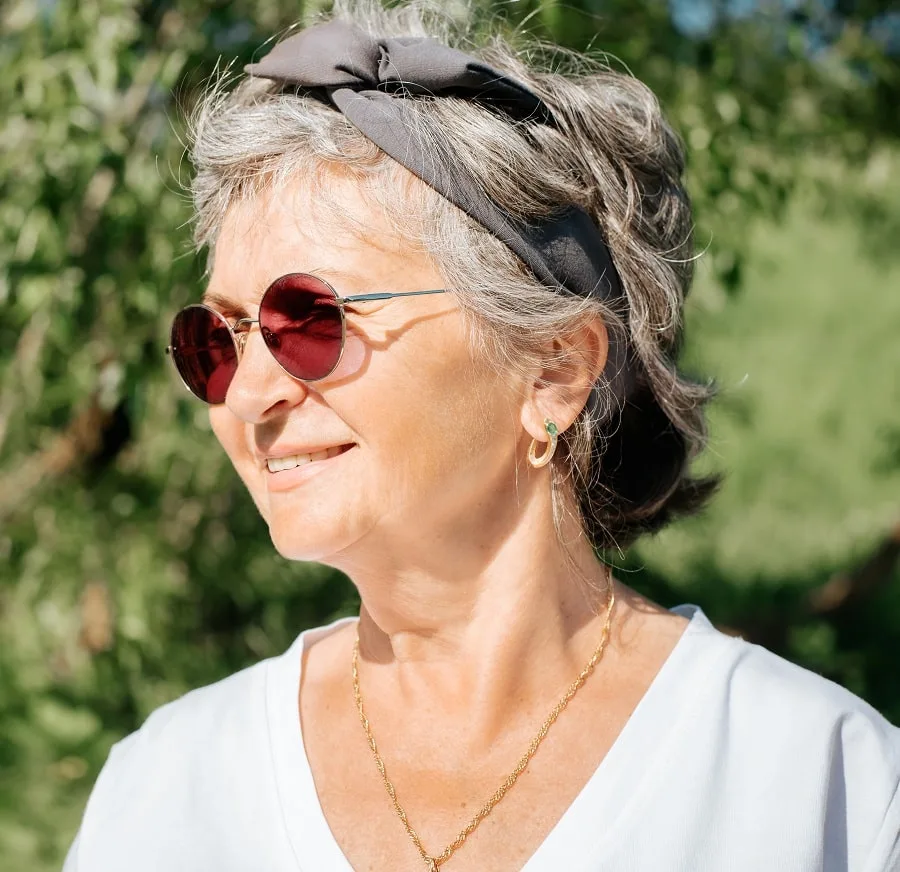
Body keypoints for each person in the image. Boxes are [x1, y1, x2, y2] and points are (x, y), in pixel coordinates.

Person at [64, 2, 900, 870]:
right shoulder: (163, 790)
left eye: (309, 320)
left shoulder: (818, 787)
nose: (251, 395)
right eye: (217, 340)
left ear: (552, 371)